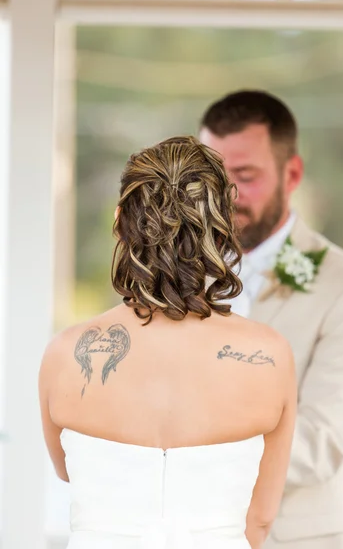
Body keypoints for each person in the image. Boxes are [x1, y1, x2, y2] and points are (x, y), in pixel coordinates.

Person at [39, 136, 297, 549]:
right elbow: (261, 519)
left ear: (121, 220)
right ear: (224, 227)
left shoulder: (64, 354)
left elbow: (69, 470)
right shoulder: (270, 356)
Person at [200, 90, 343, 549]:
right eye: (212, 176)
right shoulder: (176, 278)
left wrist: (182, 443)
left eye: (245, 176)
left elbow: (321, 441)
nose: (226, 194)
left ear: (293, 174)